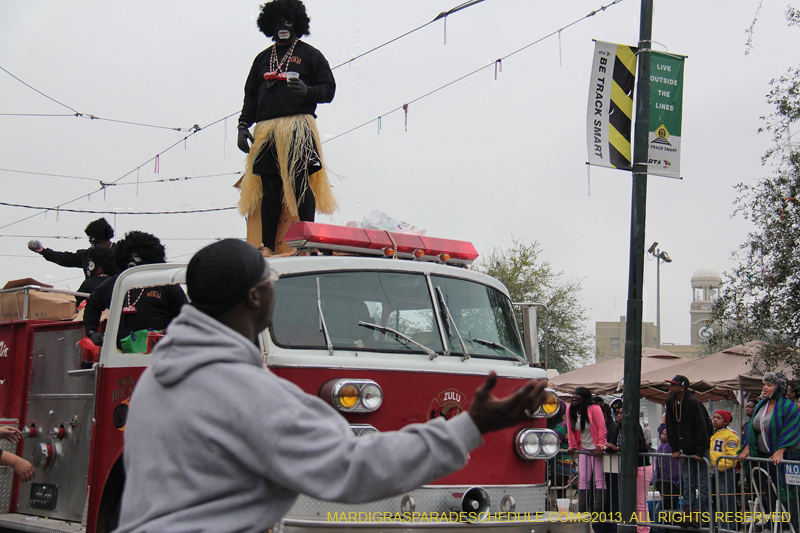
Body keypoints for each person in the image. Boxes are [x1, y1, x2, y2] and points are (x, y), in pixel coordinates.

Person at [114, 239, 552, 533]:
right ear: (255, 297)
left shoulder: (160, 377)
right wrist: (470, 426)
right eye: (272, 283)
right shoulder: (246, 392)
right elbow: (352, 468)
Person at [236, 0, 337, 253]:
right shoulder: (262, 59)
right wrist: (243, 125)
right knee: (270, 188)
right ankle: (267, 246)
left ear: (297, 24)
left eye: (288, 22)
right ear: (270, 26)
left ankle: (308, 242)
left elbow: (329, 90)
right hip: (266, 130)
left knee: (299, 181)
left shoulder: (311, 54)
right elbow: (250, 97)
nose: (283, 27)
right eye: (278, 22)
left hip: (297, 127)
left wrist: (307, 90)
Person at [83, 231, 186, 350]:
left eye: (138, 258)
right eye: (129, 259)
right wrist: (92, 332)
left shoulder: (166, 284)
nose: (133, 263)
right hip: (120, 354)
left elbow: (185, 315)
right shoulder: (116, 283)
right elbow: (92, 305)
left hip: (160, 353)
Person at [738, 372, 800, 520]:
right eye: (764, 384)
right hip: (761, 457)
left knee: (783, 491)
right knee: (765, 492)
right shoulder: (761, 405)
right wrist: (747, 446)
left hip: (780, 458)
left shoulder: (789, 407)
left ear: (779, 388)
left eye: (769, 385)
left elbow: (791, 429)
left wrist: (780, 450)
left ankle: (786, 525)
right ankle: (770, 524)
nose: (764, 388)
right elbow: (753, 428)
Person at [664, 374, 711, 527]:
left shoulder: (694, 402)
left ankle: (700, 512)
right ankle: (688, 511)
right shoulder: (670, 402)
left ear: (682, 387)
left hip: (700, 449)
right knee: (688, 481)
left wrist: (700, 451)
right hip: (686, 449)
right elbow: (670, 426)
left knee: (702, 483)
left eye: (673, 385)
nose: (670, 387)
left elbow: (702, 427)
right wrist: (675, 448)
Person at [566, 387, 608, 526]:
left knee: (599, 479)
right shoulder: (570, 409)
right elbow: (570, 429)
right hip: (583, 447)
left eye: (577, 395)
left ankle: (598, 512)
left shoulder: (594, 408)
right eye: (573, 394)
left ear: (584, 397)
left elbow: (601, 427)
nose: (573, 397)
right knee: (583, 478)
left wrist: (600, 445)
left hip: (595, 447)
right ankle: (582, 512)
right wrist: (572, 446)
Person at [27, 217, 114, 278]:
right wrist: (44, 251)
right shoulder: (87, 255)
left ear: (100, 238)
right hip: (92, 293)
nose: (90, 241)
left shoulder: (118, 252)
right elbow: (66, 258)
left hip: (115, 293)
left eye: (92, 237)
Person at [709, 410, 739, 531]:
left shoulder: (731, 436)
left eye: (719, 418)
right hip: (713, 472)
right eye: (714, 417)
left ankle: (730, 527)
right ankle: (716, 526)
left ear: (726, 422)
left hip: (725, 473)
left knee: (727, 502)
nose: (715, 420)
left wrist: (718, 466)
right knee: (714, 501)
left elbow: (731, 457)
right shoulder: (713, 434)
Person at [653, 427, 681, 514]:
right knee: (665, 505)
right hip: (663, 481)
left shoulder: (671, 448)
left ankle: (672, 521)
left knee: (672, 505)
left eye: (664, 434)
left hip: (672, 481)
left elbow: (675, 467)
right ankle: (666, 521)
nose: (661, 436)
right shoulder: (661, 447)